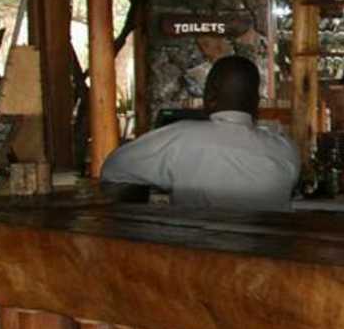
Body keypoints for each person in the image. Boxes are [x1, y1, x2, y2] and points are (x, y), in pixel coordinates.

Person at [102, 56, 299, 212]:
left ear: (210, 97)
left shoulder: (181, 137)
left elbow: (113, 169)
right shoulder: (286, 150)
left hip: (197, 249)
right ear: (256, 102)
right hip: (267, 250)